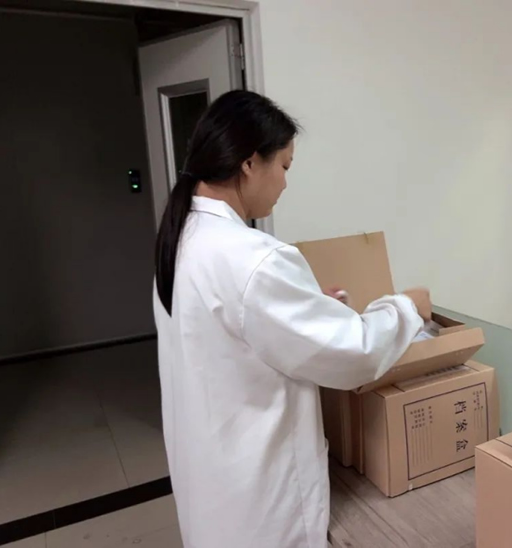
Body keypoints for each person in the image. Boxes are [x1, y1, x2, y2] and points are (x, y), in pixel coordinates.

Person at [153, 90, 431, 548]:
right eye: (284, 166)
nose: (285, 183)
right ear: (249, 162)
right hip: (259, 505)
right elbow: (356, 353)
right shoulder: (253, 259)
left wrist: (305, 306)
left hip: (210, 482)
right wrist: (405, 307)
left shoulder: (184, 239)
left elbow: (230, 334)